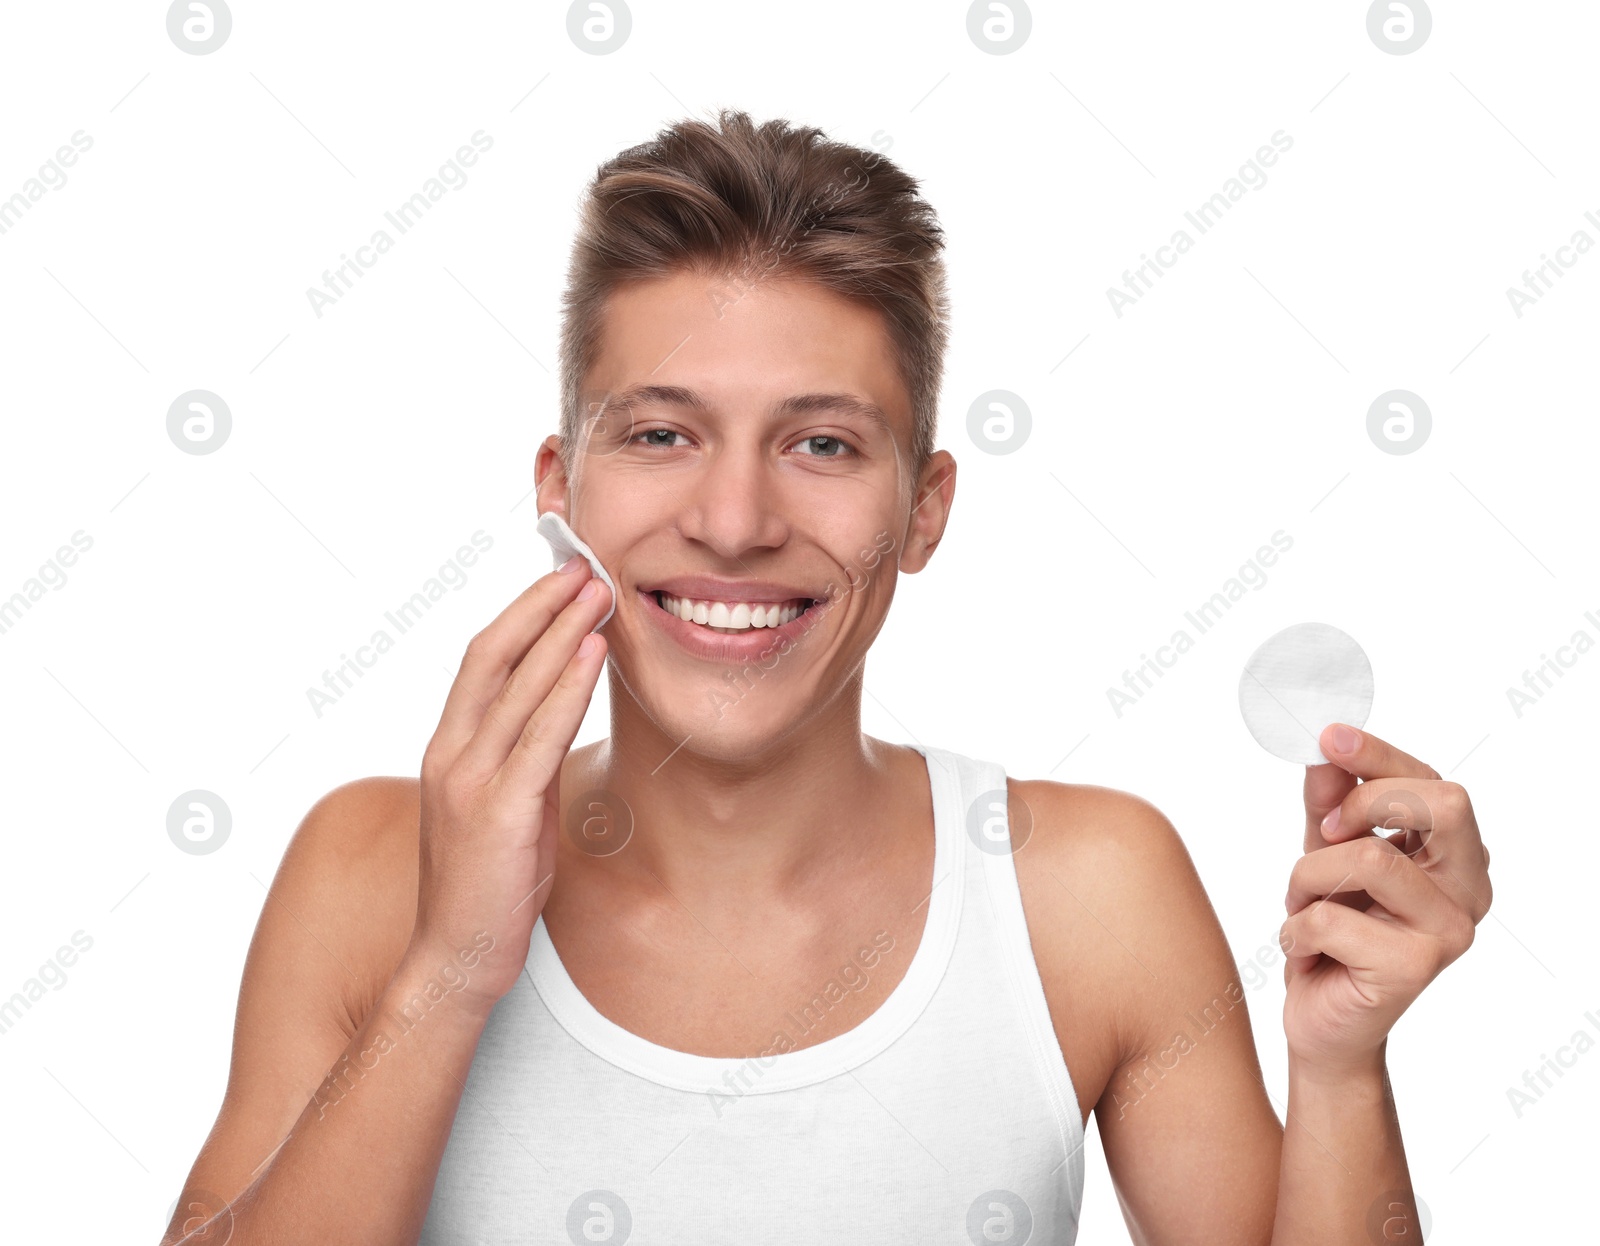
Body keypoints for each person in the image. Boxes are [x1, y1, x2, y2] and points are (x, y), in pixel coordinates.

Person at [161, 109, 1492, 1245]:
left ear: (924, 508)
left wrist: (1343, 1069)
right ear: (560, 488)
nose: (733, 520)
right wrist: (449, 970)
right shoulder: (365, 872)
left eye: (824, 445)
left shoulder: (1088, 895)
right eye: (664, 431)